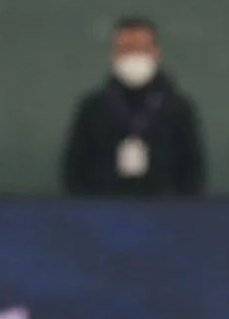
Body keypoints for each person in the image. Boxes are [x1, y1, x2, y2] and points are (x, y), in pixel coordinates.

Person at [61, 16, 206, 197]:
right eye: (126, 49)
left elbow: (193, 171)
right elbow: (74, 169)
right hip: (102, 213)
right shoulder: (93, 108)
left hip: (165, 213)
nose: (134, 56)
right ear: (113, 55)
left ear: (155, 53)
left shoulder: (177, 108)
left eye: (141, 49)